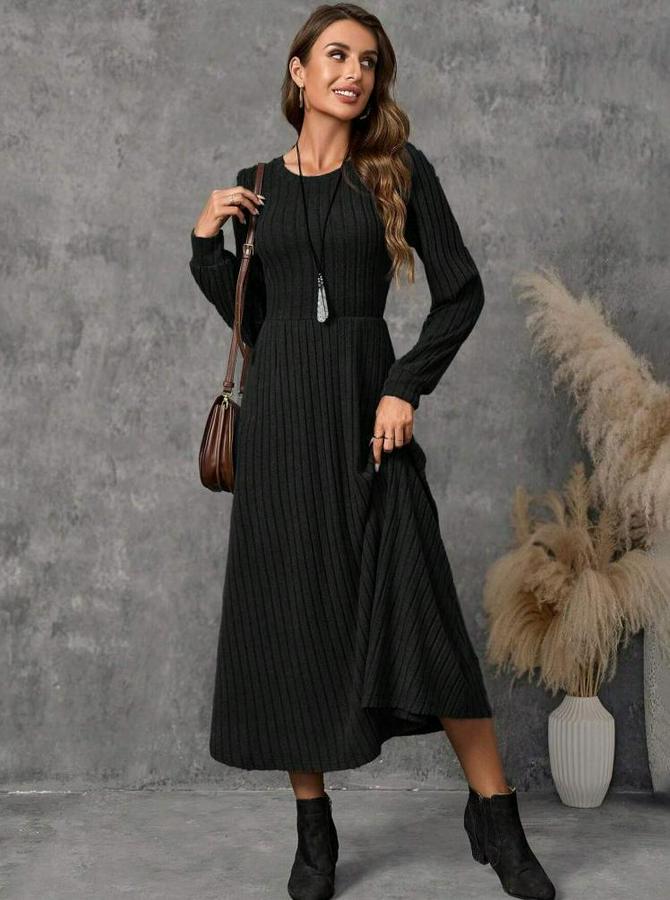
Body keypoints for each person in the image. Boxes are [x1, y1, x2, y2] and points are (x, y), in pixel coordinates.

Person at [188, 4, 556, 899]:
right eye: (337, 55)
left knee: (422, 605)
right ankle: (314, 834)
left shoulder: (397, 169)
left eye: (368, 61)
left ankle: (496, 817)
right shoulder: (254, 186)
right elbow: (256, 321)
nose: (354, 72)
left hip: (367, 411)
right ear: (299, 70)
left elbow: (461, 293)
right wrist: (206, 242)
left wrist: (404, 385)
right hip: (282, 425)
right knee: (294, 618)